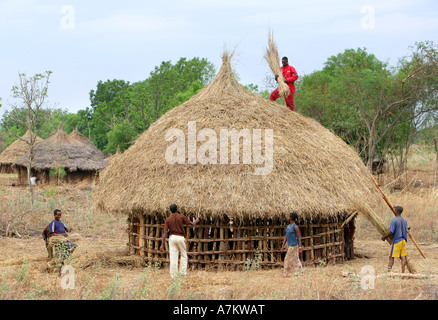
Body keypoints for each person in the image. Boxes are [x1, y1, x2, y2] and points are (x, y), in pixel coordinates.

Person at [160, 204, 199, 279]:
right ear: (177, 209)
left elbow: (165, 232)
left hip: (172, 238)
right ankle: (182, 273)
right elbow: (191, 223)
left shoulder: (168, 219)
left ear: (170, 211)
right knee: (184, 255)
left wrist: (162, 243)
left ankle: (174, 275)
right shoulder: (181, 217)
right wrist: (196, 221)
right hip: (180, 237)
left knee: (173, 256)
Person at [46, 209, 78, 275]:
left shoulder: (61, 223)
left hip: (64, 241)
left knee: (73, 246)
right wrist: (62, 235)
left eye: (60, 215)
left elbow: (66, 229)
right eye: (58, 215)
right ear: (54, 215)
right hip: (57, 242)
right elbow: (52, 234)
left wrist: (69, 230)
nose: (59, 216)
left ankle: (63, 258)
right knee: (58, 256)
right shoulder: (53, 223)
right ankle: (58, 271)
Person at [381, 206, 408, 273]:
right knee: (403, 257)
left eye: (395, 210)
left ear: (397, 211)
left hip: (397, 241)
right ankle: (403, 273)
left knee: (391, 257)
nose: (394, 211)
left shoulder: (394, 220)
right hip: (403, 241)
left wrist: (384, 237)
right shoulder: (404, 220)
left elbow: (391, 232)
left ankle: (388, 272)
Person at [281, 213, 303, 277]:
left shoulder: (295, 227)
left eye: (288, 216)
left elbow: (299, 237)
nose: (287, 217)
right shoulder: (288, 227)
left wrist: (300, 247)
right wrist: (282, 246)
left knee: (287, 259)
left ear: (291, 218)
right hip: (290, 246)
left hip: (294, 246)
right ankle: (298, 272)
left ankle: (286, 274)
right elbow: (286, 236)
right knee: (295, 259)